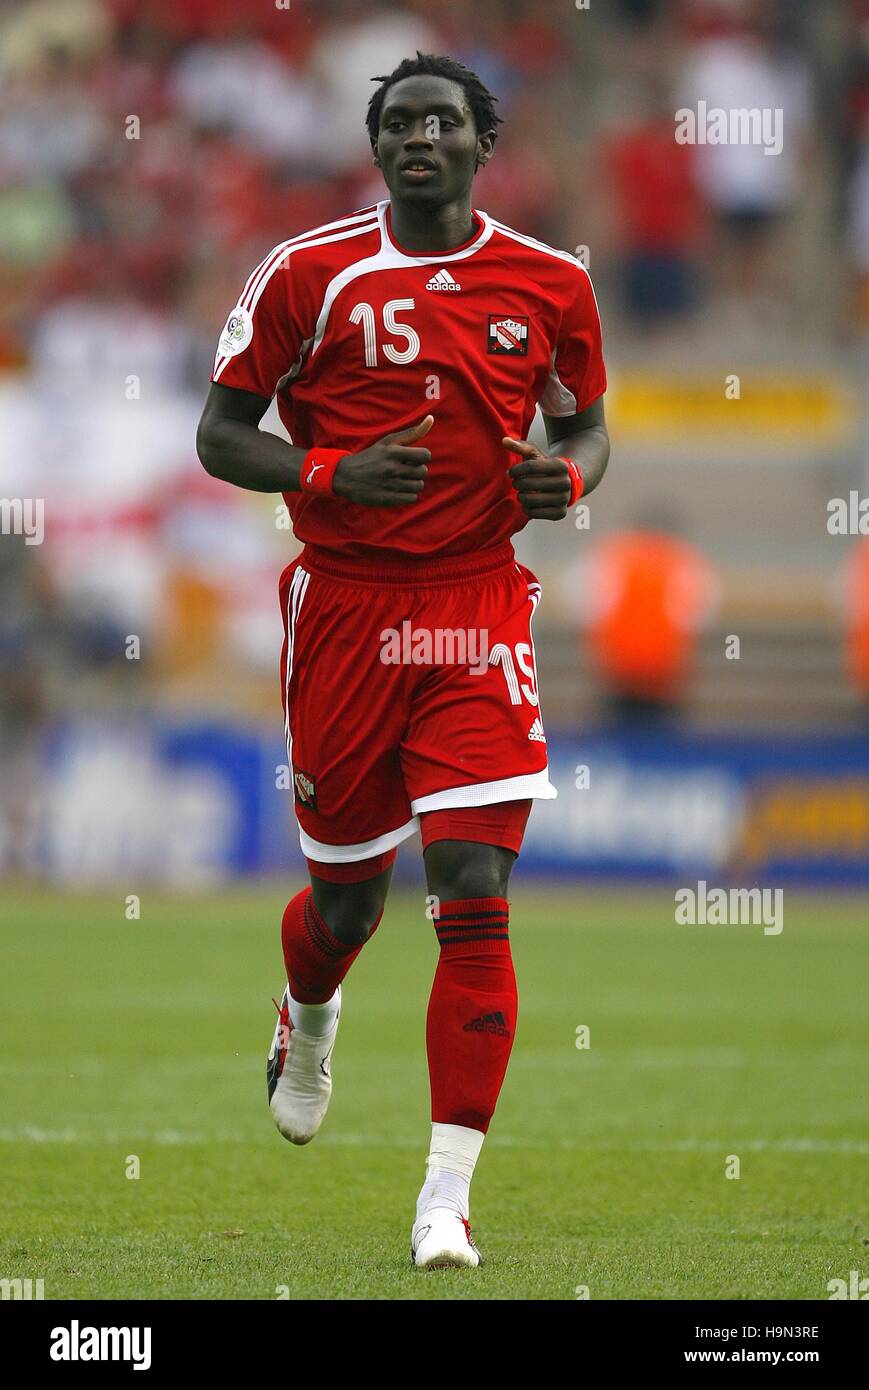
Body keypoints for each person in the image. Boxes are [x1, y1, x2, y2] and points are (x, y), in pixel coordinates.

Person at [196, 51, 609, 1269]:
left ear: (483, 144)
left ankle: (445, 1196)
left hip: (477, 608)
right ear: (375, 148)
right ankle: (307, 1019)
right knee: (344, 903)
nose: (417, 137)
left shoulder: (547, 281)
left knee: (472, 885)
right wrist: (324, 473)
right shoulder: (306, 272)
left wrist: (568, 476)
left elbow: (584, 422)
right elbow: (220, 433)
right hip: (345, 614)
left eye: (440, 121)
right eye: (395, 123)